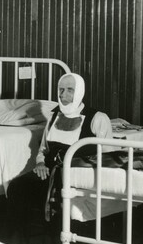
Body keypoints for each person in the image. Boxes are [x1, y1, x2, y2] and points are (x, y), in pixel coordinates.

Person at [6, 73, 112, 233]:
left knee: (60, 197)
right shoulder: (54, 116)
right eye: (60, 90)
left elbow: (108, 156)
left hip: (79, 175)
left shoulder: (98, 119)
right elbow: (43, 149)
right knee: (16, 186)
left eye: (70, 90)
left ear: (80, 92)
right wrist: (40, 163)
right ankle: (21, 242)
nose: (63, 95)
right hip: (50, 171)